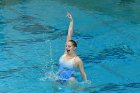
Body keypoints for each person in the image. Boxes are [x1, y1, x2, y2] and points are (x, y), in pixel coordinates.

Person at [57, 12, 87, 83]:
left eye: (69, 46)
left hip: (69, 82)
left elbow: (83, 74)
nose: (67, 47)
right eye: (66, 46)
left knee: (72, 80)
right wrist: (71, 21)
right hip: (58, 79)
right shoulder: (65, 53)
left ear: (74, 48)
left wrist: (86, 84)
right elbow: (69, 34)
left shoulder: (77, 60)